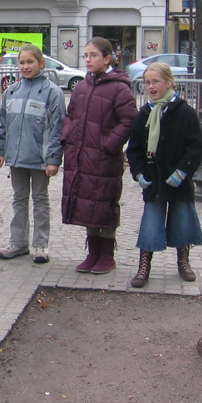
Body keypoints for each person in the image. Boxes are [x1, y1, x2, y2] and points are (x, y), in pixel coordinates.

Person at [61, 36, 137, 274]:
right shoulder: (82, 87)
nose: (88, 60)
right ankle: (92, 253)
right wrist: (68, 137)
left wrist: (109, 144)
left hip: (104, 159)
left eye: (93, 55)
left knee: (104, 204)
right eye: (86, 55)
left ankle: (106, 255)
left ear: (107, 59)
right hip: (80, 156)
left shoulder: (119, 88)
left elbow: (128, 120)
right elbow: (70, 115)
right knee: (86, 205)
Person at [126, 62, 202, 287]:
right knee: (151, 222)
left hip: (178, 179)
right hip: (154, 179)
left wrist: (182, 171)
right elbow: (134, 149)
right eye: (147, 83)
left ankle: (183, 261)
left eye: (155, 82)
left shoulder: (185, 112)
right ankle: (144, 266)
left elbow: (196, 147)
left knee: (182, 220)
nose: (150, 87)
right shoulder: (144, 114)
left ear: (169, 83)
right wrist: (139, 173)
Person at [0, 45, 65, 264]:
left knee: (40, 200)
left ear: (41, 64)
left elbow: (57, 128)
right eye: (22, 62)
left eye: (30, 62)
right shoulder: (11, 91)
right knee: (19, 200)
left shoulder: (52, 92)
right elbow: (4, 124)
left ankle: (40, 245)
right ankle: (18, 242)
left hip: (40, 159)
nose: (25, 66)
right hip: (16, 157)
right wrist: (1, 150)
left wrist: (53, 159)